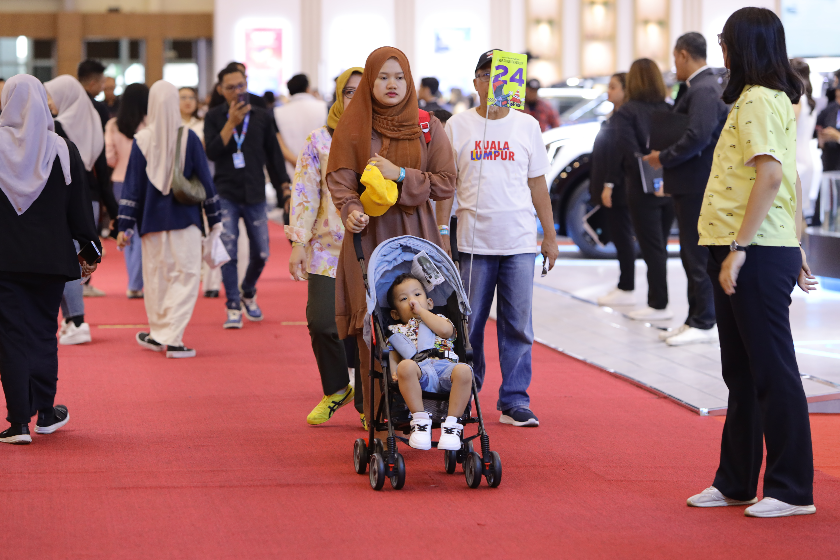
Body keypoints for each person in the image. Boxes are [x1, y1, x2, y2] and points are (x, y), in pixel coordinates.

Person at [688, 7, 819, 518]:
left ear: (743, 46)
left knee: (772, 371)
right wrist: (795, 241)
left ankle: (791, 489)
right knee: (742, 374)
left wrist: (742, 248)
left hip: (753, 250)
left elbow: (771, 176)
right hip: (749, 245)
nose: (721, 48)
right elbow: (790, 180)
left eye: (725, 40)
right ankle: (737, 482)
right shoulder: (756, 97)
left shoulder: (762, 98)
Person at [327, 46, 457, 427]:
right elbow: (341, 180)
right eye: (383, 77)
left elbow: (446, 182)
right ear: (370, 81)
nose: (391, 84)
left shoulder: (427, 126)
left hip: (417, 237)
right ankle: (380, 417)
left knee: (423, 313)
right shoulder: (354, 126)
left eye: (399, 77)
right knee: (375, 325)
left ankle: (427, 406)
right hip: (369, 237)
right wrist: (350, 210)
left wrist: (399, 174)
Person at [437, 49, 558, 427]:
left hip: (519, 242)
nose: (494, 83)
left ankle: (514, 400)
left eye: (502, 75)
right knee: (467, 325)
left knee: (518, 326)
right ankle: (465, 396)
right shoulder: (458, 125)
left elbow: (537, 184)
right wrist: (442, 232)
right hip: (473, 243)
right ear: (476, 82)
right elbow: (447, 185)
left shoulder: (527, 126)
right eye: (487, 76)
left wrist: (550, 236)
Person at [0, 75, 100, 444]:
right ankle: (45, 412)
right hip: (51, 258)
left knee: (11, 337)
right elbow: (79, 208)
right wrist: (89, 249)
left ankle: (18, 423)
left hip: (5, 260)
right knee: (44, 332)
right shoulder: (62, 148)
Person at [116, 80, 222, 359]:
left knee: (155, 279)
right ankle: (172, 339)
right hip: (185, 222)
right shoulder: (188, 138)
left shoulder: (141, 140)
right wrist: (215, 219)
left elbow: (132, 187)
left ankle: (158, 333)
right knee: (185, 277)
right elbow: (206, 182)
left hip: (151, 224)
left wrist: (124, 225)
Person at [287, 67, 363, 426]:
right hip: (325, 249)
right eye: (349, 91)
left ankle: (369, 405)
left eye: (362, 91)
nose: (355, 98)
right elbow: (304, 191)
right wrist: (298, 242)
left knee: (367, 330)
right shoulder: (319, 139)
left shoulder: (383, 138)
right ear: (338, 96)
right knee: (321, 322)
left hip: (372, 249)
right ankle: (336, 388)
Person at [642, 33, 728, 345]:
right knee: (691, 254)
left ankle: (704, 321)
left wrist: (663, 157)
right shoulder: (699, 86)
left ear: (682, 54)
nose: (674, 65)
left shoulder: (704, 88)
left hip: (698, 183)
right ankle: (695, 317)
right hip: (690, 182)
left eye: (674, 58)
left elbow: (698, 136)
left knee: (696, 254)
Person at [205, 65, 291, 328]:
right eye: (230, 88)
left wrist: (284, 188)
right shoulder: (214, 116)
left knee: (262, 252)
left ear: (247, 83)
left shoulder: (262, 115)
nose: (237, 92)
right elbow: (212, 152)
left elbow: (274, 155)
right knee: (229, 250)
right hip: (225, 192)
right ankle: (233, 304)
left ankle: (248, 291)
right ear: (221, 90)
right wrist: (231, 123)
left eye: (240, 86)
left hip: (255, 193)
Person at [45, 75, 118, 343]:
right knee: (79, 255)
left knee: (65, 260)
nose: (49, 102)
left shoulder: (57, 126)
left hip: (65, 199)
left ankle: (77, 321)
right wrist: (114, 211)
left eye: (51, 96)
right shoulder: (93, 123)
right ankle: (72, 319)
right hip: (92, 199)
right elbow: (103, 173)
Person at [613, 59, 673, 321]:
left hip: (641, 187)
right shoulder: (669, 108)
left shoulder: (626, 113)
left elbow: (628, 152)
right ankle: (659, 301)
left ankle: (658, 304)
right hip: (670, 184)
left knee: (651, 247)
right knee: (661, 245)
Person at [386, 274, 473, 450]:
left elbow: (446, 331)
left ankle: (452, 426)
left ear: (430, 303)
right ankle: (420, 421)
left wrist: (422, 312)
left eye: (417, 295)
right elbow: (393, 357)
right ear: (395, 314)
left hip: (446, 367)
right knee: (405, 367)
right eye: (404, 299)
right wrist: (394, 372)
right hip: (419, 373)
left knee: (464, 370)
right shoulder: (396, 331)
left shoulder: (440, 319)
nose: (412, 301)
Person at [594, 72, 638, 307]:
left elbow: (619, 156)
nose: (608, 91)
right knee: (618, 237)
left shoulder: (625, 118)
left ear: (625, 90)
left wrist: (609, 185)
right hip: (610, 186)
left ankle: (627, 286)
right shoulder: (614, 117)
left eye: (613, 87)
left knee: (623, 237)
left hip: (620, 188)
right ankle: (624, 284)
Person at [105, 83, 149, 299]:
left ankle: (134, 280)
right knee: (140, 232)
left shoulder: (113, 125)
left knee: (126, 231)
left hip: (119, 182)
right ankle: (135, 283)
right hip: (143, 181)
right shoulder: (149, 124)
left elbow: (110, 158)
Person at [274, 73, 328, 178]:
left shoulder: (277, 112)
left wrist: (299, 163)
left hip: (291, 172)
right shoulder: (324, 107)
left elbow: (279, 145)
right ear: (308, 88)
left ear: (289, 91)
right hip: (320, 170)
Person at [815, 69, 840, 174]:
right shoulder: (829, 110)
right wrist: (821, 139)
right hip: (830, 168)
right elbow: (817, 128)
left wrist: (837, 137)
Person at [77, 59, 110, 129]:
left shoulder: (67, 103)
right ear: (93, 84)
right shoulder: (98, 108)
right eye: (102, 82)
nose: (103, 87)